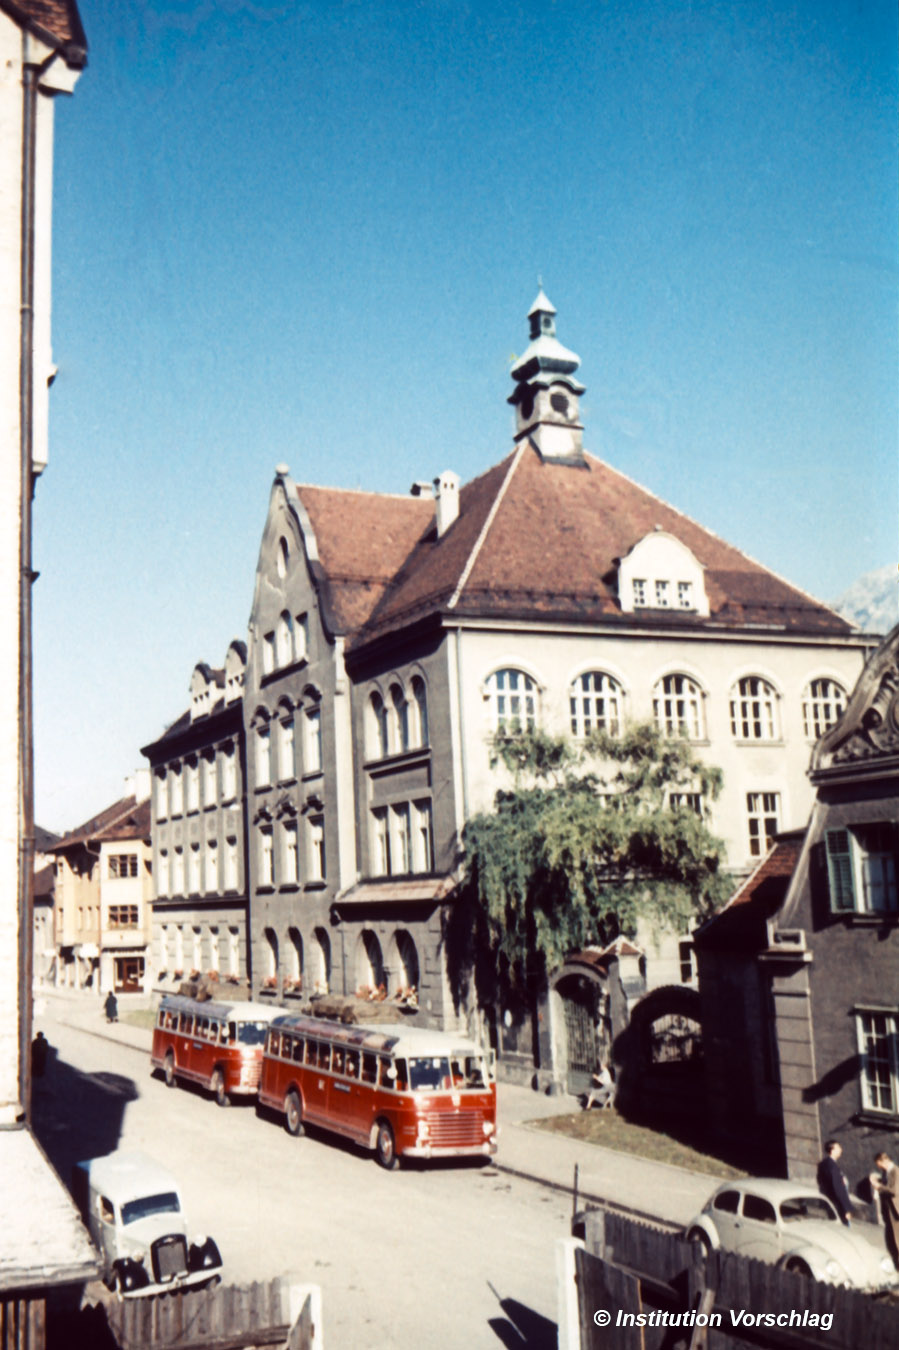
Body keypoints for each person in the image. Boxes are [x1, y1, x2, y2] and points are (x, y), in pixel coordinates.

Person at [872, 1151, 899, 1272]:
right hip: (890, 1211)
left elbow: (894, 1191)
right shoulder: (887, 1172)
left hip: (896, 1211)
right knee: (892, 1240)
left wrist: (878, 1186)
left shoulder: (895, 1171)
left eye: (878, 1164)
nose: (878, 1166)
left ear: (881, 1162)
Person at [817, 1140, 852, 1225]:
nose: (841, 1150)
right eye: (838, 1148)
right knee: (844, 1230)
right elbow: (838, 1189)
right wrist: (846, 1208)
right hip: (838, 1205)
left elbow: (820, 1181)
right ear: (832, 1150)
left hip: (829, 1202)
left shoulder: (823, 1164)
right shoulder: (833, 1167)